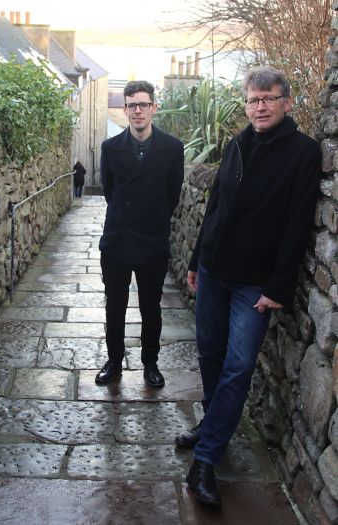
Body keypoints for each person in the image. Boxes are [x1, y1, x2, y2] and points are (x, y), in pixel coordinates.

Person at [175, 66, 321, 507]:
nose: (260, 107)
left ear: (287, 102)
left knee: (239, 367)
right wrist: (198, 259)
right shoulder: (238, 144)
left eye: (268, 99)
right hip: (215, 272)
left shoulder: (303, 152)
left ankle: (205, 459)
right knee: (209, 354)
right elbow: (216, 204)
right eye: (253, 100)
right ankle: (212, 423)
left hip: (255, 282)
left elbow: (298, 223)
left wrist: (279, 284)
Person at [96, 80, 184, 388]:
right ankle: (114, 361)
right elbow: (109, 191)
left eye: (143, 104)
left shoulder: (172, 148)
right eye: (132, 105)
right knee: (115, 305)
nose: (137, 110)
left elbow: (173, 193)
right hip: (117, 240)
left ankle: (150, 363)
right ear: (125, 109)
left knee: (151, 307)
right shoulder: (110, 148)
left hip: (152, 241)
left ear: (153, 108)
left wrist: (153, 218)